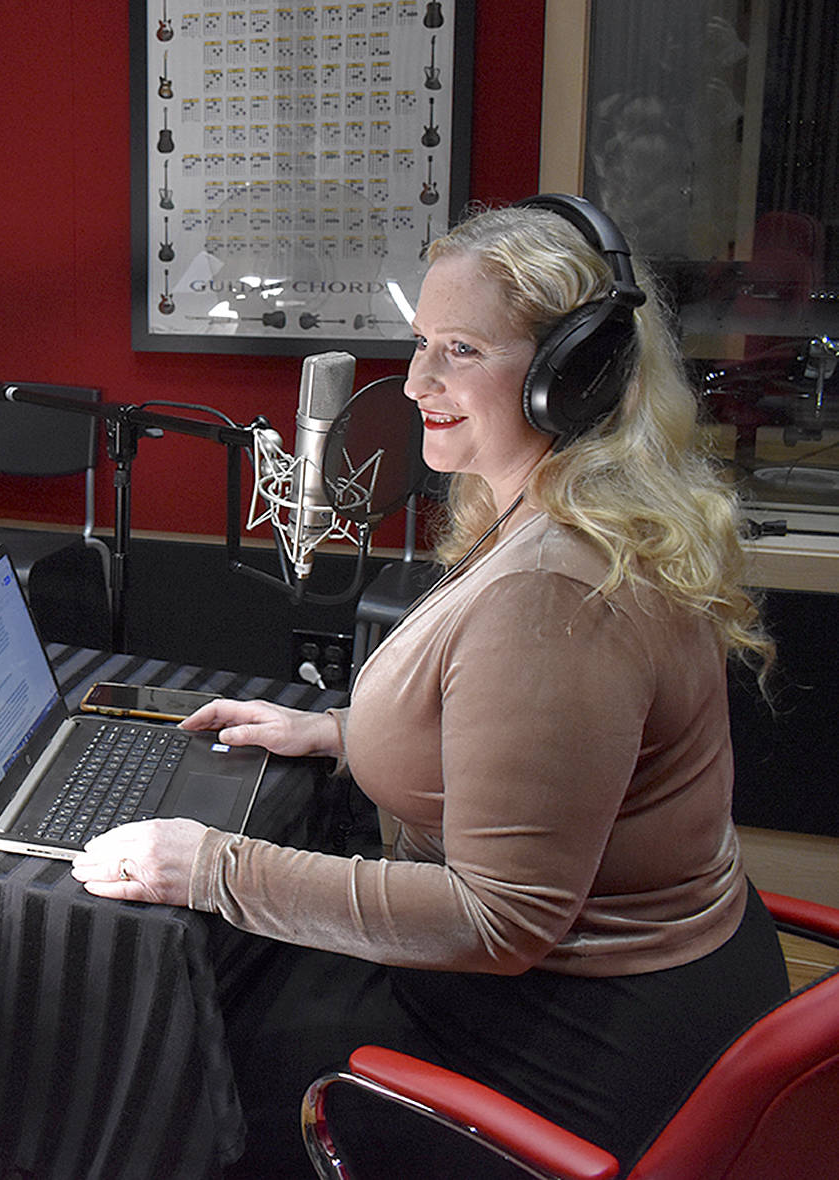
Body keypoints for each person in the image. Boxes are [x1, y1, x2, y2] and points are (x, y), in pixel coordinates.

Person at [71, 197, 788, 1175]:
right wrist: (338, 731)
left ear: (568, 375)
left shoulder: (551, 588)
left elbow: (497, 921)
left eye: (460, 350)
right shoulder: (570, 513)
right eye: (419, 344)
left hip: (567, 1044)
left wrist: (213, 866)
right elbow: (518, 734)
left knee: (156, 1058)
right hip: (635, 988)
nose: (414, 383)